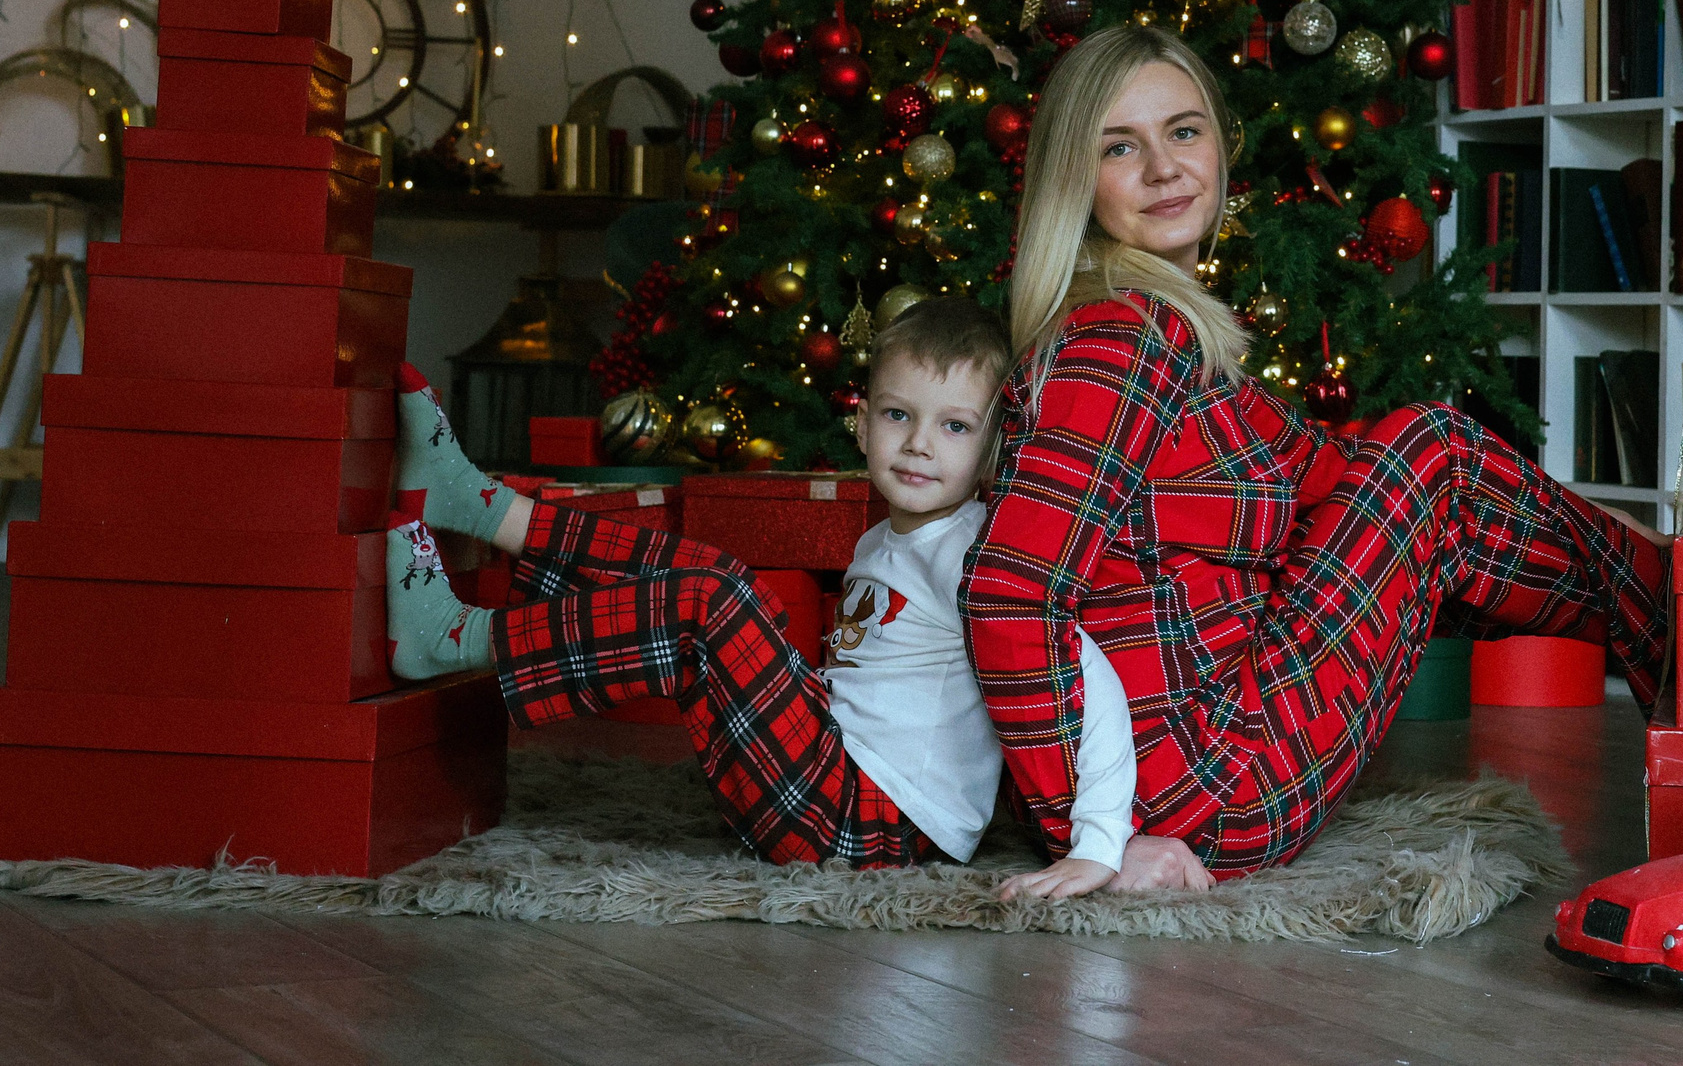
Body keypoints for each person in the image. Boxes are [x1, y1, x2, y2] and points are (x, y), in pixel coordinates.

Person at [963, 25, 1670, 883]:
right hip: (1196, 790)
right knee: (1432, 448)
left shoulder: (1167, 335)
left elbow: (1331, 470)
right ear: (1077, 179)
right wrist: (1094, 840)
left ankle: (1674, 614)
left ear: (1222, 144)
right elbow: (1011, 590)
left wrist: (1601, 525)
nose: (1164, 167)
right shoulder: (1118, 342)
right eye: (1120, 146)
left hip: (1200, 756)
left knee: (1421, 464)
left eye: (1184, 131)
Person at [386, 296, 1162, 891]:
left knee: (714, 597)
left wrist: (1099, 840)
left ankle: (456, 639)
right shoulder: (882, 540)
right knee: (710, 576)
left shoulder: (973, 553)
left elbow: (1085, 676)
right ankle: (484, 508)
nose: (920, 442)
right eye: (899, 415)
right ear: (863, 427)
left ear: (991, 449)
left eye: (955, 427)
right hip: (830, 774)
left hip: (871, 823)